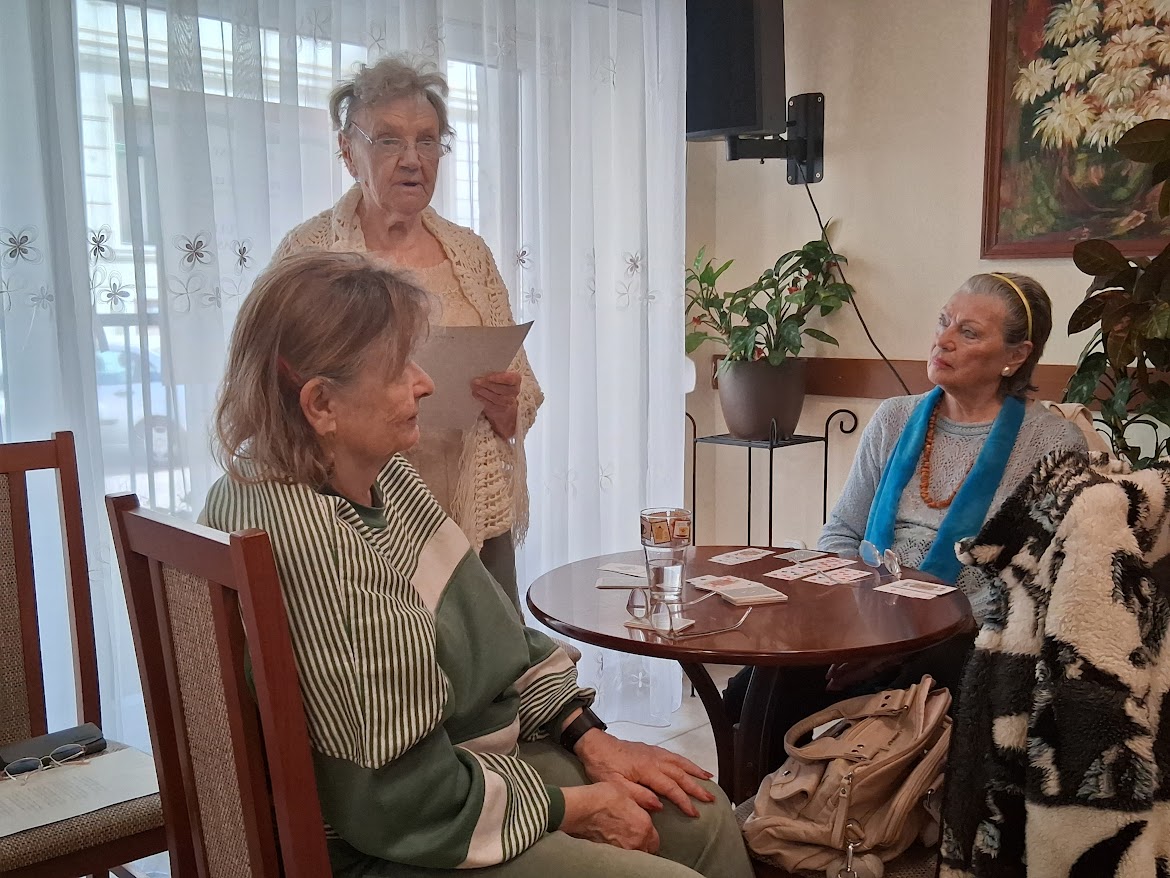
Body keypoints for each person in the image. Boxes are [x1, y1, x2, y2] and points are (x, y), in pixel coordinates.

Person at [203, 252, 753, 878]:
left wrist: (589, 735)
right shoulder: (316, 543)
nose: (425, 383)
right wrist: (575, 808)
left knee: (702, 813)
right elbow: (404, 800)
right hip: (394, 833)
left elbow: (497, 640)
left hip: (456, 772)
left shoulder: (373, 480)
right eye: (397, 369)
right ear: (321, 403)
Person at [724, 272, 1088, 719]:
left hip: (965, 635)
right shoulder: (894, 417)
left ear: (1016, 355)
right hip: (867, 614)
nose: (943, 341)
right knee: (752, 695)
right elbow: (842, 531)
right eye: (944, 322)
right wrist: (860, 622)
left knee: (910, 688)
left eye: (968, 333)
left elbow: (1037, 584)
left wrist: (905, 641)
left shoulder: (1053, 443)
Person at [271, 55, 536, 612]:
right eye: (389, 140)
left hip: (471, 522)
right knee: (394, 665)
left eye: (428, 141)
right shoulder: (309, 254)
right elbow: (269, 391)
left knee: (499, 662)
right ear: (349, 152)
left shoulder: (470, 254)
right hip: (351, 526)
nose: (413, 159)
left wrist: (507, 406)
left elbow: (523, 390)